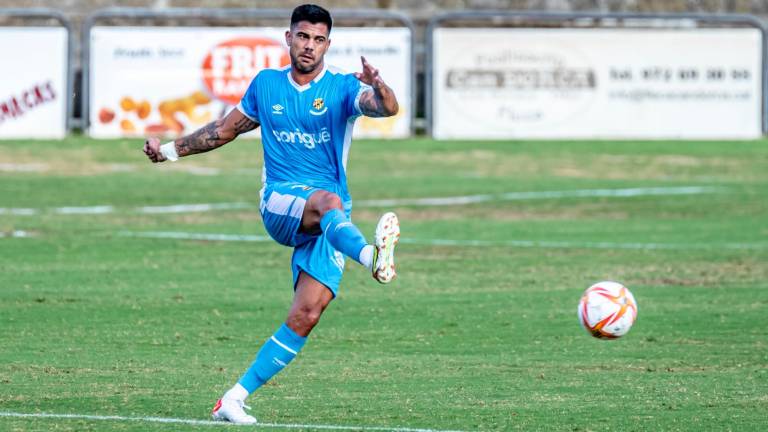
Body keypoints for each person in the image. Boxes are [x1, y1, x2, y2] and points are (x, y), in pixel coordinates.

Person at [143, 4, 400, 424]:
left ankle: (233, 399)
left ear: (328, 45)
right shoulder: (266, 85)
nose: (309, 46)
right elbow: (222, 131)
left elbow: (385, 107)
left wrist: (381, 85)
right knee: (329, 203)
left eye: (318, 40)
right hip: (281, 202)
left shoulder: (341, 88)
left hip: (331, 222)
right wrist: (169, 151)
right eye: (303, 37)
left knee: (306, 314)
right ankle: (372, 258)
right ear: (288, 38)